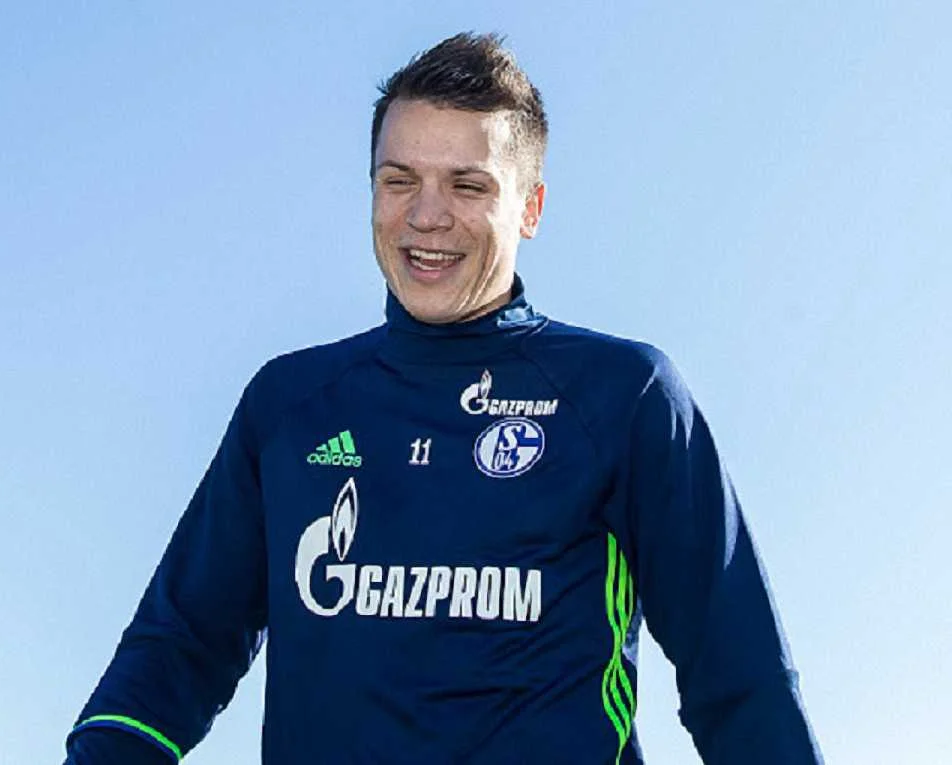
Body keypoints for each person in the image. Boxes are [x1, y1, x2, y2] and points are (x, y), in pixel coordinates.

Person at [64, 33, 822, 764]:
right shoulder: (289, 405)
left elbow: (738, 672)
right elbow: (180, 646)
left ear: (530, 207)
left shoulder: (624, 395)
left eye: (468, 185)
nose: (426, 216)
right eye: (399, 180)